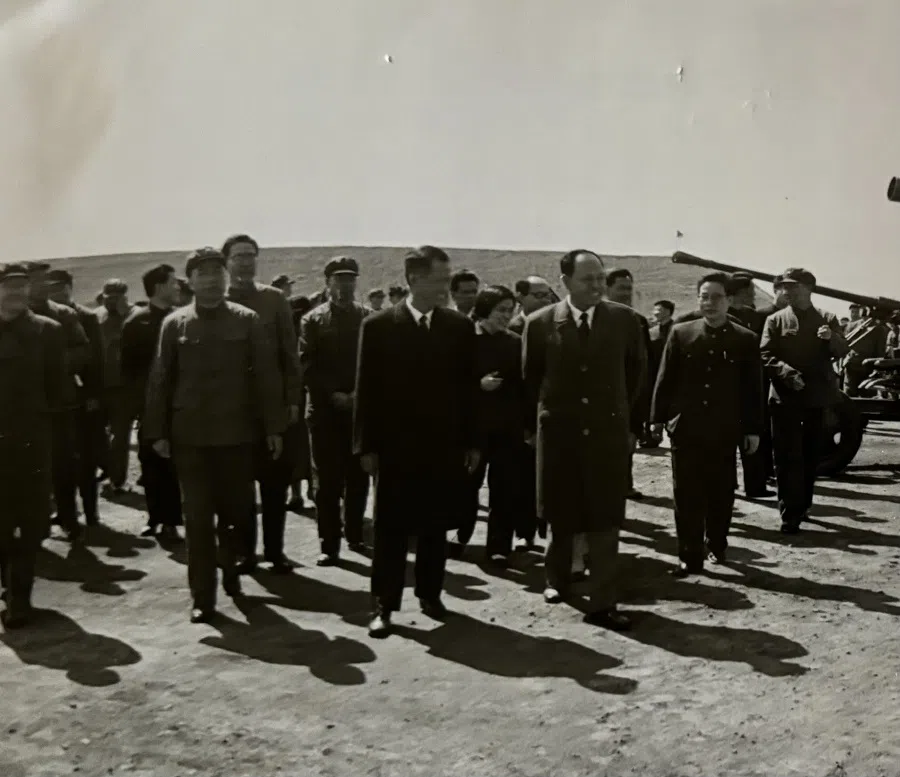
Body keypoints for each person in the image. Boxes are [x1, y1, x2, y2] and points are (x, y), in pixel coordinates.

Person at [143, 247, 285, 623]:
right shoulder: (175, 324)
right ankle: (202, 598)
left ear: (226, 279)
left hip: (237, 437)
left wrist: (273, 427)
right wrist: (156, 431)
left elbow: (266, 378)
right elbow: (160, 379)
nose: (211, 280)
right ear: (189, 282)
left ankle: (233, 572)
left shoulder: (248, 320)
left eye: (217, 273)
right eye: (202, 274)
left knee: (236, 514)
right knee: (198, 519)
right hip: (191, 439)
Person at [354, 245, 480, 638]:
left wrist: (472, 442)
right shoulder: (378, 326)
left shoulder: (458, 327)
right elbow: (367, 390)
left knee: (434, 526)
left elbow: (468, 392)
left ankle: (431, 594)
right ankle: (383, 605)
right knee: (390, 529)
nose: (447, 287)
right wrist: (365, 446)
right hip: (395, 449)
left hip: (443, 446)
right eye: (440, 279)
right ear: (414, 279)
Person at [523, 249, 646, 631]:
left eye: (600, 278)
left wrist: (630, 427)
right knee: (561, 516)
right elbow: (530, 380)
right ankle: (557, 581)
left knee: (606, 519)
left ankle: (604, 602)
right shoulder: (540, 323)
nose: (596, 286)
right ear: (565, 283)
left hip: (607, 436)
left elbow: (637, 375)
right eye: (586, 279)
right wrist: (537, 426)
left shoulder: (625, 321)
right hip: (560, 436)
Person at [651, 272, 763, 576]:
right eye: (704, 296)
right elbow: (665, 379)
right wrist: (657, 419)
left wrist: (752, 428)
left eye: (716, 297)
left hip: (724, 430)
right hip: (686, 428)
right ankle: (688, 554)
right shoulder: (681, 333)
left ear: (728, 301)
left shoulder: (745, 339)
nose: (709, 303)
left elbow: (752, 389)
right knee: (685, 492)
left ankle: (717, 544)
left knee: (721, 490)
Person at [223, 234, 303, 574]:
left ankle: (275, 551)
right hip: (232, 412)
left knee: (274, 486)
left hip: (272, 408)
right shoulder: (218, 301)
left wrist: (292, 400)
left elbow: (289, 352)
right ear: (226, 262)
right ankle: (244, 552)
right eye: (239, 256)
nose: (245, 262)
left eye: (251, 255)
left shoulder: (273, 300)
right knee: (238, 488)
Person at [0, 263, 67, 628]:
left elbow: (59, 393)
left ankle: (19, 598)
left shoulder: (48, 332)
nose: (14, 292)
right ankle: (8, 587)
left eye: (20, 286)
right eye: (7, 286)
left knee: (29, 525)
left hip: (31, 443)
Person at [760, 268, 849, 534]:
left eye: (793, 286)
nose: (786, 291)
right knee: (785, 456)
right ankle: (789, 514)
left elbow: (843, 350)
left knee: (810, 455)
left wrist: (830, 338)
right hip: (784, 398)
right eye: (784, 287)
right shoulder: (775, 320)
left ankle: (804, 505)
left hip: (815, 399)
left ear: (809, 288)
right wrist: (786, 373)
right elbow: (765, 354)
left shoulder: (828, 318)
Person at [299, 256, 371, 566]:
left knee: (358, 477)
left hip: (359, 412)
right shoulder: (313, 321)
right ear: (328, 282)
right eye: (339, 279)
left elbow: (375, 363)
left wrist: (357, 394)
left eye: (350, 279)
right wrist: (333, 394)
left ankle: (354, 534)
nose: (345, 285)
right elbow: (306, 365)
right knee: (326, 481)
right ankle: (329, 544)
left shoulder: (368, 318)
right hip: (325, 412)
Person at [452, 285, 527, 563]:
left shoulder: (514, 342)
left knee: (505, 488)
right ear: (485, 309)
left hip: (506, 428)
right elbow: (450, 384)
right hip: (472, 428)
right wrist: (478, 385)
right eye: (501, 310)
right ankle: (460, 536)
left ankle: (498, 546)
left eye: (510, 310)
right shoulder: (464, 340)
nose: (506, 316)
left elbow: (523, 386)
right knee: (465, 486)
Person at [24, 261, 90, 541]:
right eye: (34, 282)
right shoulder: (10, 319)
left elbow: (83, 351)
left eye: (45, 282)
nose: (41, 287)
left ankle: (68, 519)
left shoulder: (64, 315)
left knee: (64, 465)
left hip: (59, 404)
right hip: (22, 407)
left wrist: (54, 366)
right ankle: (32, 524)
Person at [121, 263, 183, 540]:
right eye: (173, 282)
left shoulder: (182, 318)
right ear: (159, 287)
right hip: (150, 405)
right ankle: (155, 517)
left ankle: (173, 520)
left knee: (176, 464)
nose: (178, 287)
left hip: (181, 403)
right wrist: (139, 409)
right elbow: (129, 370)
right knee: (151, 463)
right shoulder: (137, 323)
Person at [45, 269, 106, 527]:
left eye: (61, 287)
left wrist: (94, 394)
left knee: (86, 459)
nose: (57, 292)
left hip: (83, 399)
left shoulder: (86, 316)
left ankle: (91, 512)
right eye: (52, 288)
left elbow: (96, 359)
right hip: (58, 401)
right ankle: (66, 513)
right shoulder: (44, 317)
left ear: (70, 288)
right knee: (60, 461)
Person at [604, 268, 650, 500]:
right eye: (621, 288)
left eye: (629, 288)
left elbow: (643, 367)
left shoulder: (638, 321)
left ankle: (625, 485)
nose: (626, 293)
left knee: (626, 445)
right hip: (597, 398)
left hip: (626, 396)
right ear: (606, 288)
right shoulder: (591, 318)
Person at [96, 279, 134, 493]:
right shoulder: (97, 316)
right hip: (101, 385)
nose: (111, 301)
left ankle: (117, 480)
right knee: (98, 434)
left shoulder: (133, 317)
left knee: (120, 435)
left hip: (124, 387)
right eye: (107, 296)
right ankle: (108, 468)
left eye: (116, 296)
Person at [643, 299, 675, 448]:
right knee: (651, 401)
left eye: (659, 310)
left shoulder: (676, 330)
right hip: (653, 373)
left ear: (668, 311)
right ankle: (651, 434)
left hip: (672, 372)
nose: (656, 313)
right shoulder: (652, 332)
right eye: (654, 310)